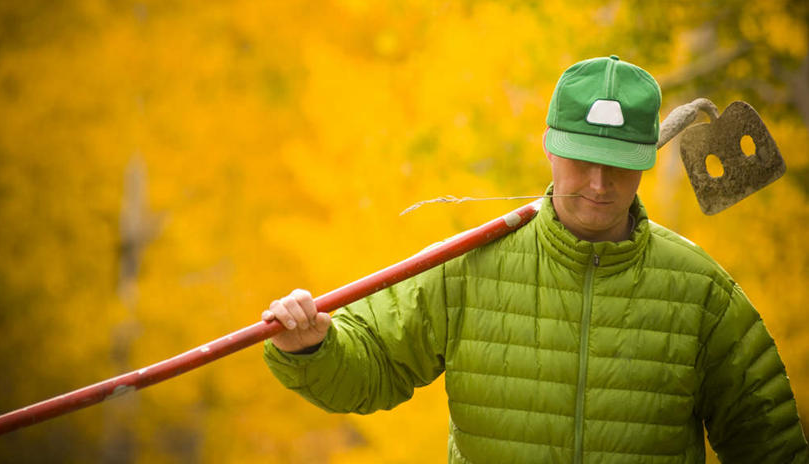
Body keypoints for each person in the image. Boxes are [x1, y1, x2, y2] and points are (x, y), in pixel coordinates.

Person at [262, 56, 809, 463]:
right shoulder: (468, 268)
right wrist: (312, 348)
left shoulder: (701, 292)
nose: (598, 183)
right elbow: (371, 369)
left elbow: (769, 446)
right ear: (549, 145)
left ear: (644, 160)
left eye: (618, 163)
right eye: (581, 159)